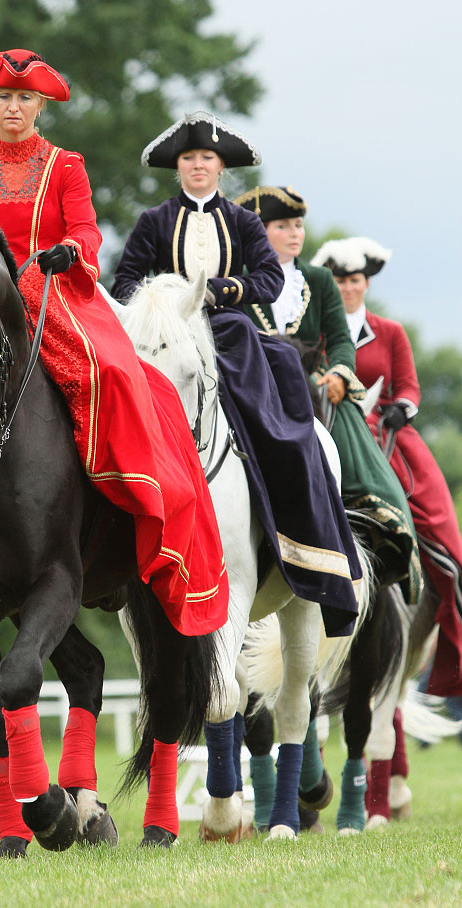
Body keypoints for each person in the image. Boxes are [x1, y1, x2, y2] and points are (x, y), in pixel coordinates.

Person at [0, 50, 229, 638]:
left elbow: (86, 228)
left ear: (40, 105)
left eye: (24, 98)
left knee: (113, 376)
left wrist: (75, 251)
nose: (13, 107)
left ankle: (135, 499)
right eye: (3, 98)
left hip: (56, 295)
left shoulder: (66, 164)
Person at [112, 113, 363, 639]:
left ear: (221, 168)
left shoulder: (244, 222)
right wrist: (163, 297)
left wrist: (221, 292)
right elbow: (126, 279)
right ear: (177, 168)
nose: (197, 166)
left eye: (206, 159)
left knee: (285, 412)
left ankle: (299, 531)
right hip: (166, 336)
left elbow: (270, 278)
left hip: (227, 331)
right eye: (188, 159)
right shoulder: (153, 221)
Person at [236, 187, 421, 604]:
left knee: (354, 439)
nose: (295, 233)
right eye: (283, 226)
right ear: (260, 232)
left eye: (298, 225)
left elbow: (339, 338)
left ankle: (376, 521)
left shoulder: (318, 280)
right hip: (252, 381)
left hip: (312, 382)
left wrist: (340, 372)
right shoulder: (241, 281)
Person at [311, 236, 462, 698]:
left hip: (390, 436)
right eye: (338, 279)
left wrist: (404, 408)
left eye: (354, 280)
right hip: (337, 429)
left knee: (444, 534)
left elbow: (410, 387)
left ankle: (452, 633)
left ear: (366, 283)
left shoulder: (390, 331)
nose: (347, 287)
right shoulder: (319, 332)